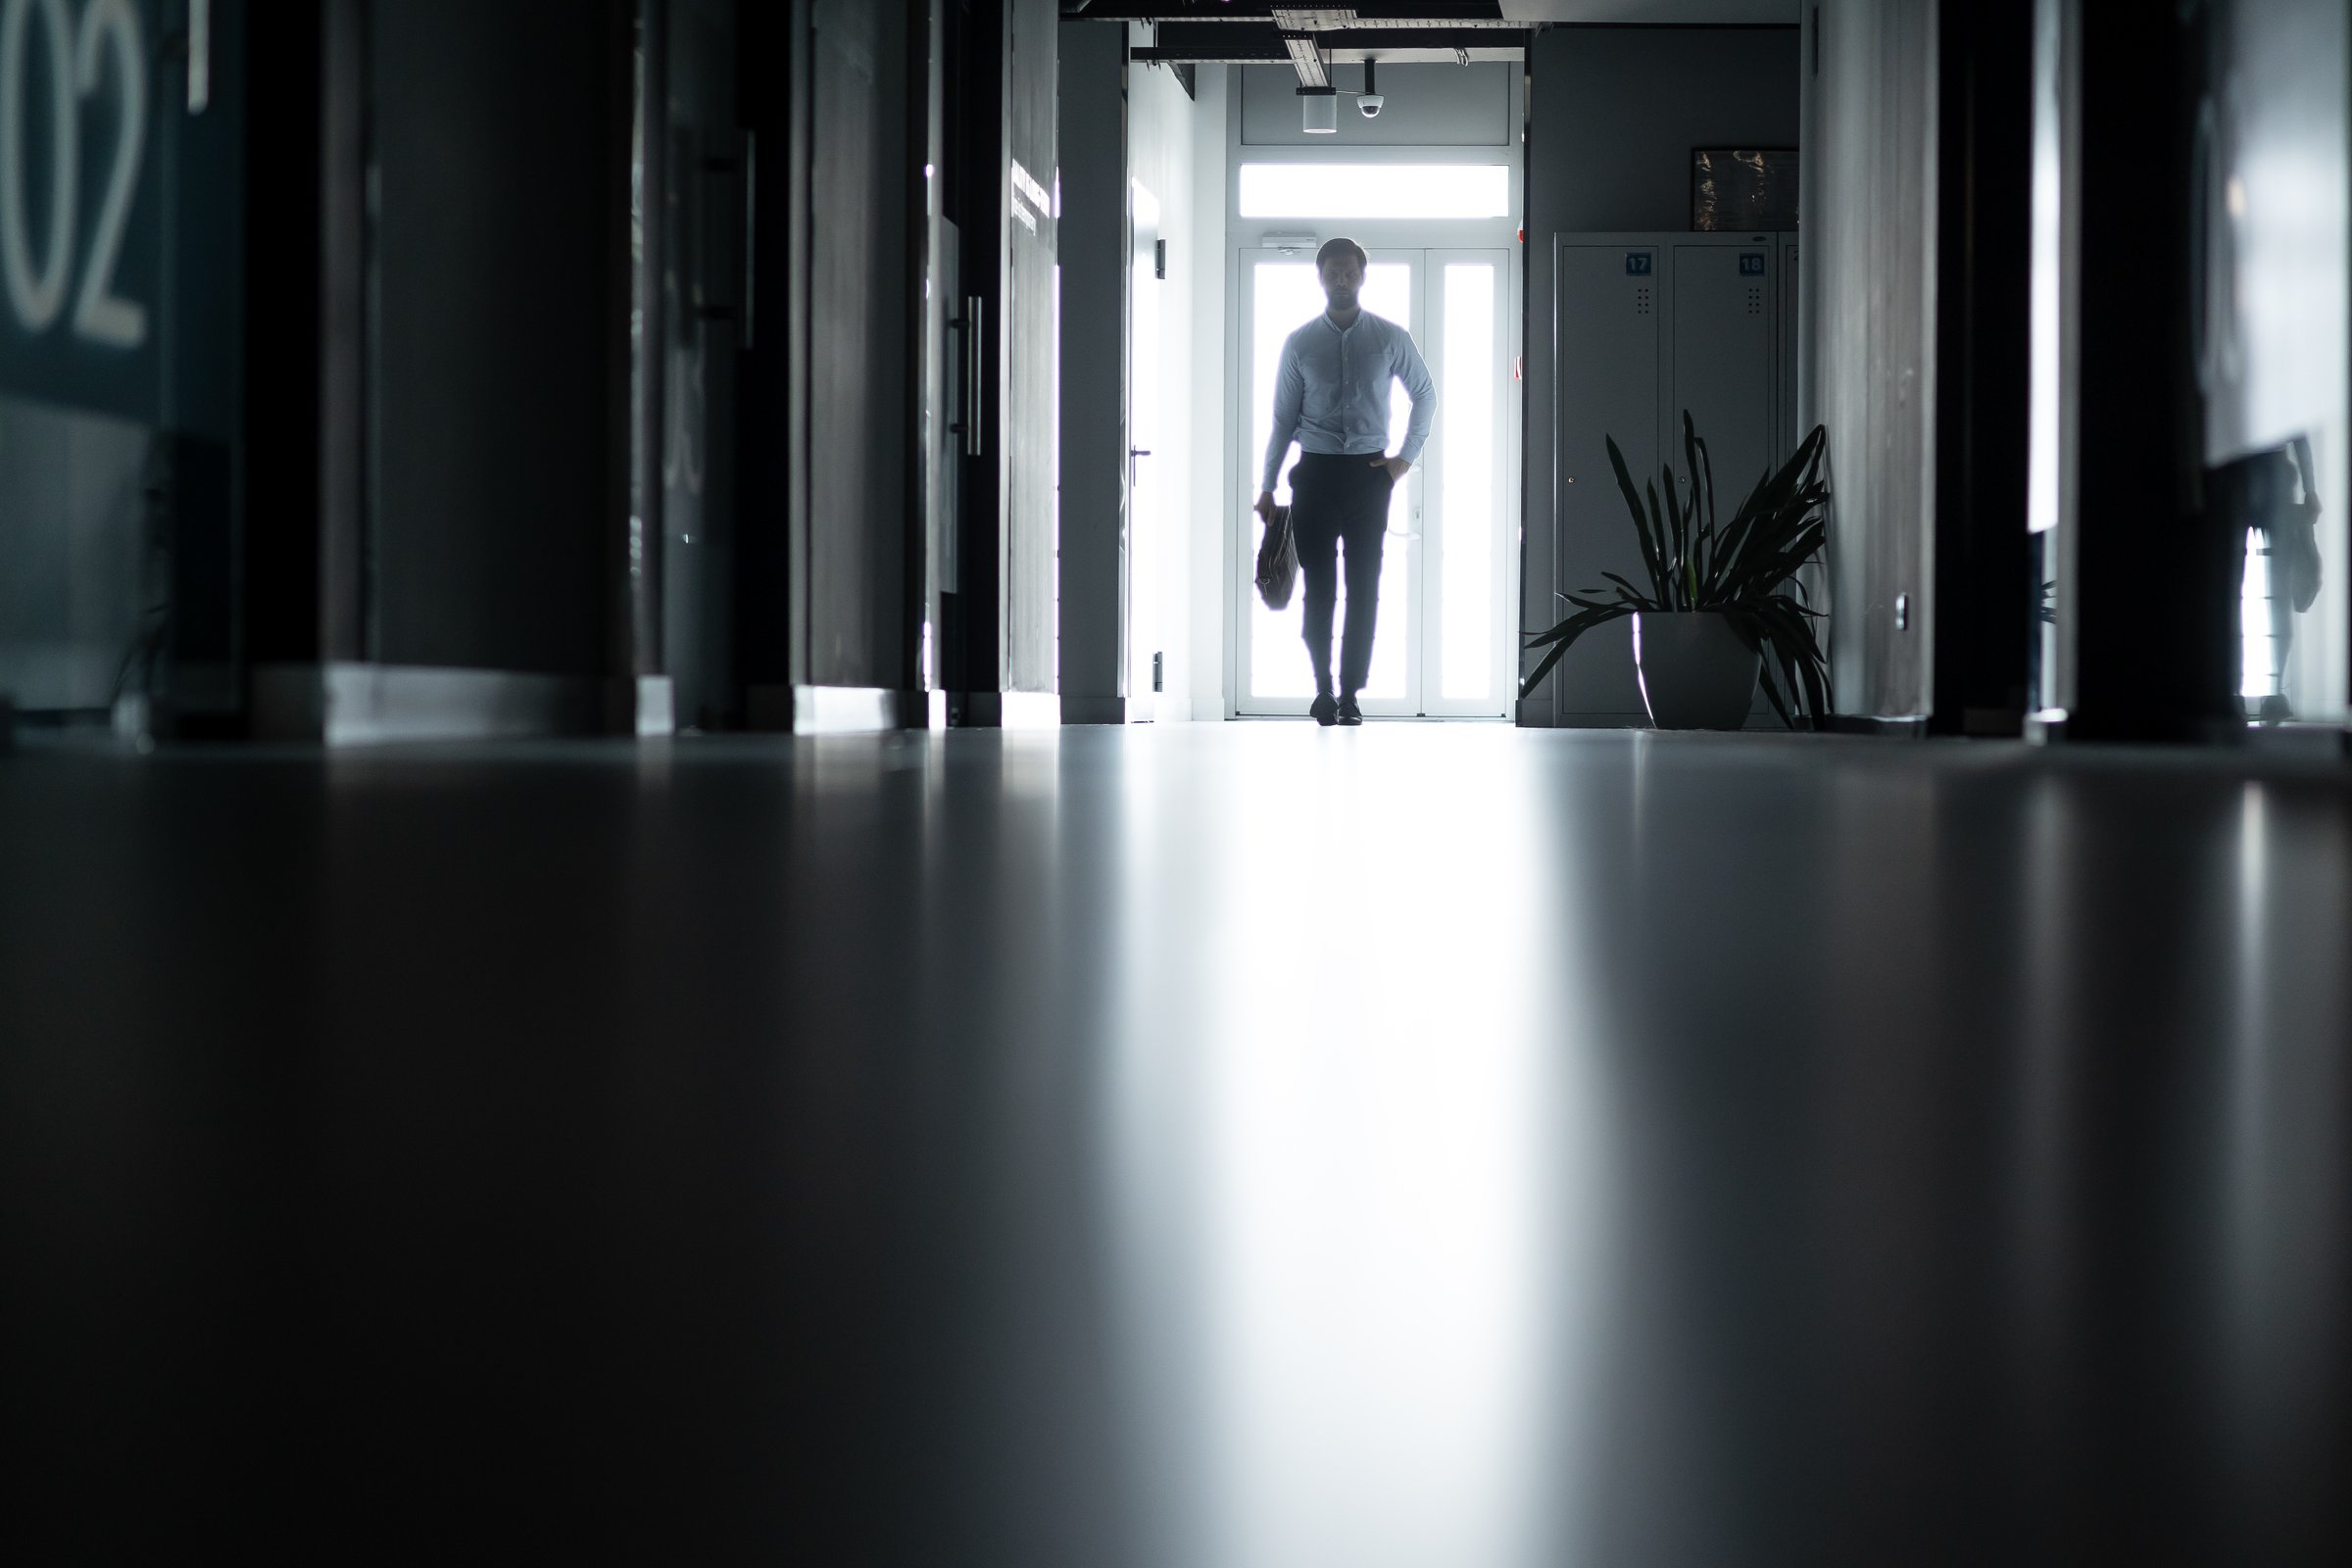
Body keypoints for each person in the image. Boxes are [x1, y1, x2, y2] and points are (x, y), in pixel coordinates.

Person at [1255, 238, 1435, 725]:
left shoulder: (1389, 337)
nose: (1341, 281)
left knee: (1364, 585)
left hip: (1368, 476)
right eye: (1333, 273)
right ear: (1320, 277)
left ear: (1362, 277)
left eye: (1349, 273)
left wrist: (1403, 460)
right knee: (1319, 587)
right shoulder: (1299, 343)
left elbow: (1425, 394)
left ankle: (1351, 695)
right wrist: (1268, 485)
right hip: (1314, 474)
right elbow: (1282, 420)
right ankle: (1322, 690)